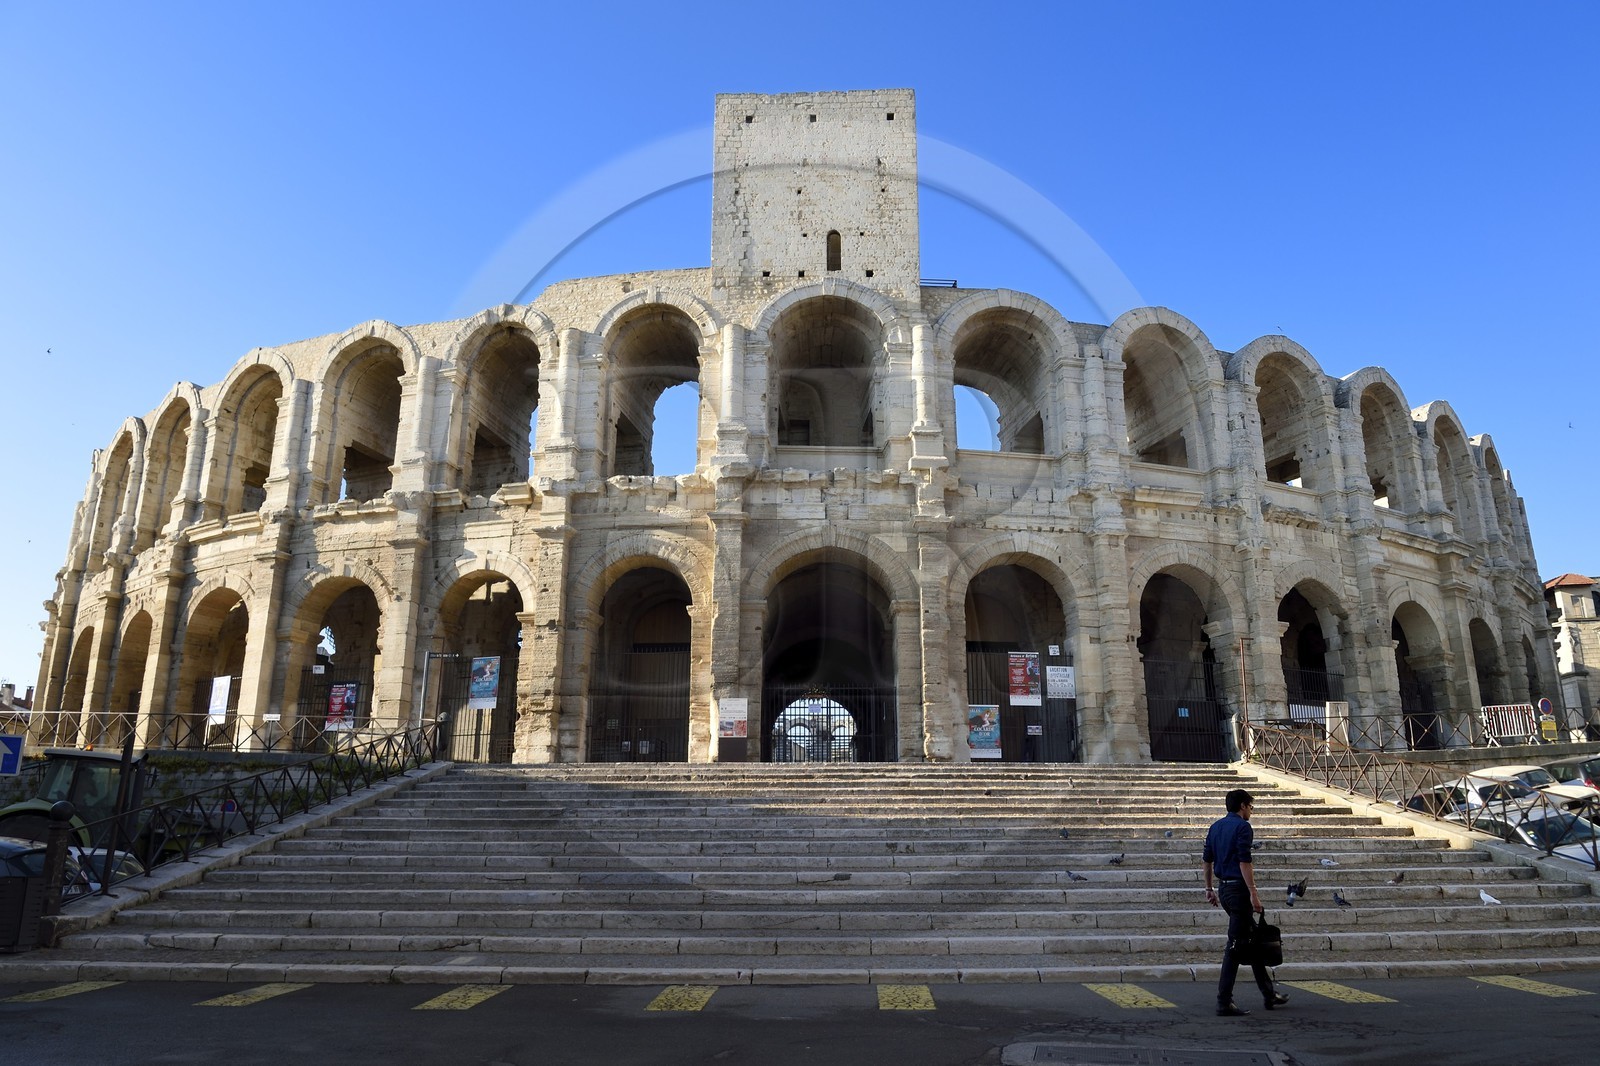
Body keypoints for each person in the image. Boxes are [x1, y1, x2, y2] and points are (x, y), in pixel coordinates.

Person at [1202, 787, 1288, 1016]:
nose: (1251, 810)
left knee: (1251, 941)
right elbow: (1244, 861)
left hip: (1224, 889)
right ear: (1242, 805)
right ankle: (1223, 1001)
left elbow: (1207, 861)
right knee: (1235, 946)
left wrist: (1209, 888)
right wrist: (1254, 893)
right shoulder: (1242, 827)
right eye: (1251, 806)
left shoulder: (1215, 827)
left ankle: (1269, 994)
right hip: (1239, 891)